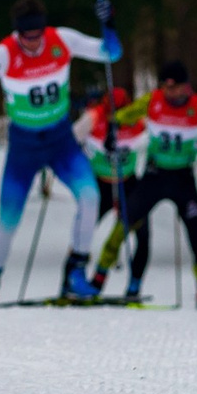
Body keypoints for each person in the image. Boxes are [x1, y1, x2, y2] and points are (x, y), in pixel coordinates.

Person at [0, 0, 124, 305]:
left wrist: (108, 23)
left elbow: (111, 53)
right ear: (18, 33)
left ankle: (76, 273)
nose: (31, 43)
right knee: (8, 218)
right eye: (25, 37)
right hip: (24, 146)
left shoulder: (63, 40)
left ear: (43, 29)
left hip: (60, 140)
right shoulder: (5, 52)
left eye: (36, 36)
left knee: (90, 197)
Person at [109, 60, 197, 308]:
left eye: (174, 88)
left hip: (184, 179)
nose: (170, 92)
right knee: (127, 224)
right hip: (155, 176)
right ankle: (108, 284)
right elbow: (122, 117)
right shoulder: (152, 100)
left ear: (185, 87)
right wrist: (112, 129)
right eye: (166, 87)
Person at [77, 83, 147, 290]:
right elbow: (72, 138)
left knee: (143, 233)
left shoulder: (136, 119)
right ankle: (73, 281)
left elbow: (154, 135)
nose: (114, 115)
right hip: (100, 184)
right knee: (83, 230)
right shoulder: (94, 116)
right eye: (110, 110)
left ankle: (134, 286)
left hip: (128, 182)